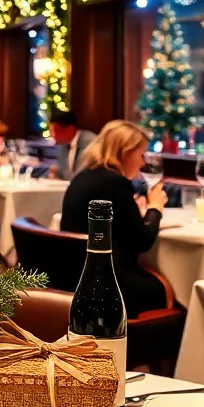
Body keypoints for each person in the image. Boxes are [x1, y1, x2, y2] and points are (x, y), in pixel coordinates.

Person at [61, 120, 169, 318]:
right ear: (126, 151)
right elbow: (142, 241)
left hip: (72, 276)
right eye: (141, 154)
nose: (143, 162)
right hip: (108, 285)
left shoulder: (84, 175)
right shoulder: (115, 182)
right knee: (171, 289)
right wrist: (155, 208)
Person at [35, 110, 97, 180]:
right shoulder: (63, 145)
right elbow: (61, 171)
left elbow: (83, 173)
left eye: (55, 131)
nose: (52, 135)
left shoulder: (89, 142)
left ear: (70, 128)